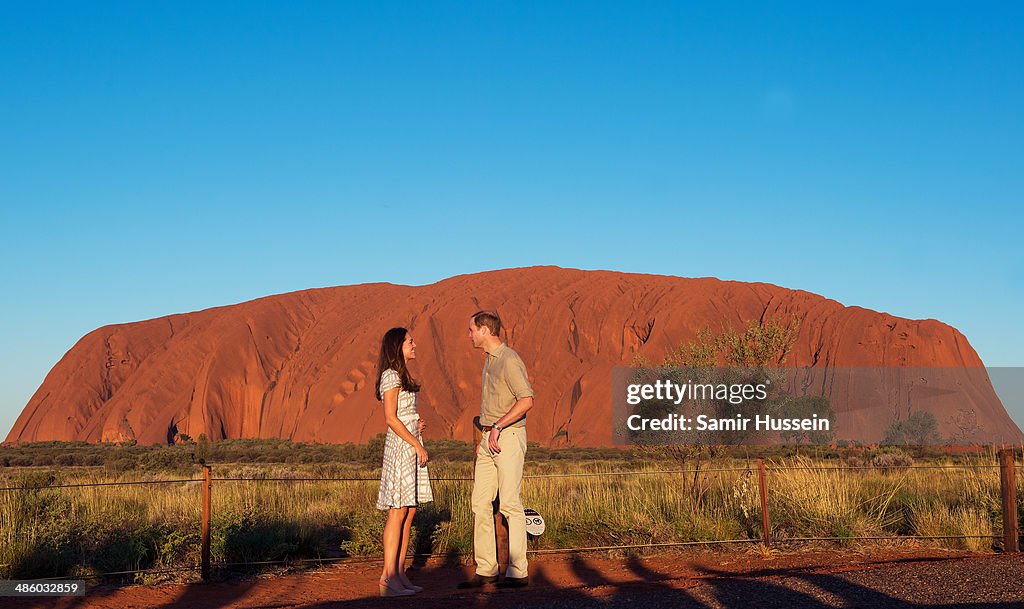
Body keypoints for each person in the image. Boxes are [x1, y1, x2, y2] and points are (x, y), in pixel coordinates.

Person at [459, 310, 534, 589]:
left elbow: (526, 400)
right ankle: (486, 568)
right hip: (488, 439)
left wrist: (499, 426)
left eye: (471, 330)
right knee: (480, 503)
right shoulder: (489, 361)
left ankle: (517, 571)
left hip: (508, 437)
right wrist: (486, 432)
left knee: (510, 504)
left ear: (485, 331)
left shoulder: (509, 360)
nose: (469, 335)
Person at [375, 327, 432, 597]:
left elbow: (403, 414)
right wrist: (415, 442)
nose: (414, 344)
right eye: (410, 341)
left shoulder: (403, 375)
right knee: (397, 511)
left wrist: (416, 425)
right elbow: (390, 417)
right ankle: (387, 577)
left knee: (409, 512)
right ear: (398, 346)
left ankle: (400, 574)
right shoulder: (390, 376)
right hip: (401, 448)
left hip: (410, 443)